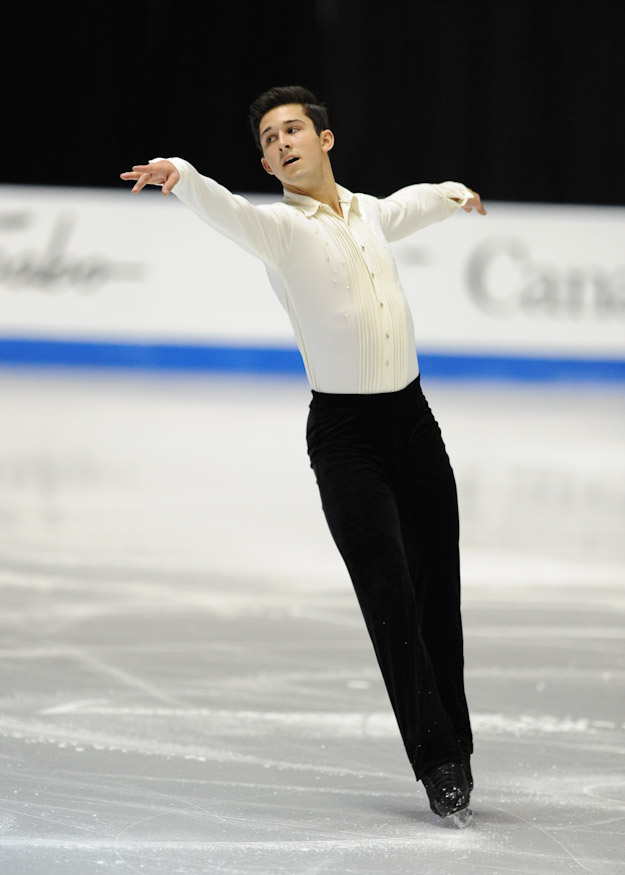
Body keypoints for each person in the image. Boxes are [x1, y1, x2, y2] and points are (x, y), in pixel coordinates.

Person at [120, 85, 486, 823]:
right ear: (265, 160)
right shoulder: (280, 231)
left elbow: (414, 202)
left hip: (413, 424)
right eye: (270, 137)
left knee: (434, 590)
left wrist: (455, 194)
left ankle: (458, 744)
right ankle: (436, 759)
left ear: (324, 139)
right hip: (345, 437)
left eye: (294, 129)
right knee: (386, 593)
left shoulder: (370, 214)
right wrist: (182, 176)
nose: (283, 142)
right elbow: (228, 209)